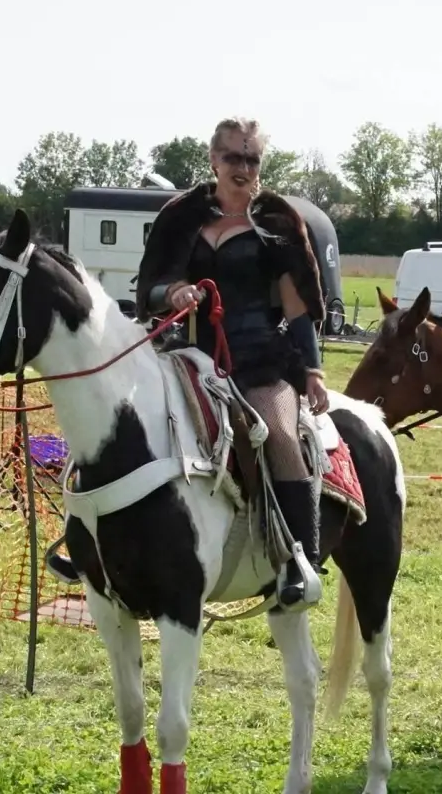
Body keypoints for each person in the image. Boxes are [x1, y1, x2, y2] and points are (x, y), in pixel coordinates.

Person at [134, 117, 330, 612]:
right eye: (233, 158)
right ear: (213, 160)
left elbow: (298, 305)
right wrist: (173, 292)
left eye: (252, 159)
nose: (243, 168)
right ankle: (98, 541)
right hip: (187, 355)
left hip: (262, 359)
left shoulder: (281, 222)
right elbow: (151, 288)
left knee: (282, 434)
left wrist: (311, 370)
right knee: (128, 413)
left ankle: (299, 561)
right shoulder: (180, 217)